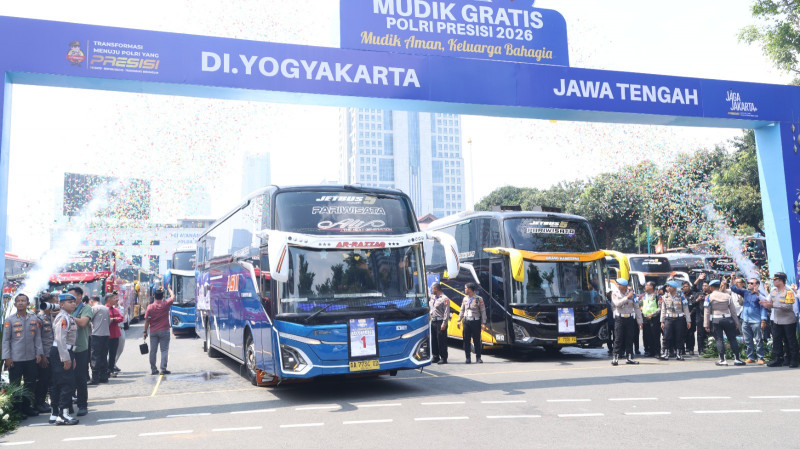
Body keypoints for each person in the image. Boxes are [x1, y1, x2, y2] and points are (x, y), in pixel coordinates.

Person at [1, 293, 43, 418]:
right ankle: (17, 411)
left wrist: (39, 353)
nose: (20, 303)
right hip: (15, 359)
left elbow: (37, 337)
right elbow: (6, 340)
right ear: (14, 304)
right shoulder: (10, 320)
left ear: (28, 303)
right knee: (16, 385)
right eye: (18, 301)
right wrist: (7, 357)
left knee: (30, 384)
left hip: (31, 358)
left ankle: (27, 407)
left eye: (23, 300)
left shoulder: (33, 318)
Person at [50, 293, 79, 425]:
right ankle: (63, 414)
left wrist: (70, 357)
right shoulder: (63, 318)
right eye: (69, 302)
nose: (73, 304)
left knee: (63, 383)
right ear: (61, 304)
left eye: (74, 302)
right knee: (66, 384)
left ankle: (60, 413)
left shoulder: (67, 317)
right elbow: (60, 339)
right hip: (62, 352)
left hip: (65, 352)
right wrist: (66, 358)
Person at [761, 272, 799, 368]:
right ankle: (778, 359)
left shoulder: (789, 291)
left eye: (775, 280)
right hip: (777, 320)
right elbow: (768, 300)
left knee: (790, 340)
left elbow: (788, 306)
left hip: (788, 320)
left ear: (781, 281)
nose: (773, 281)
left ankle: (793, 359)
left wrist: (772, 305)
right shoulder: (774, 291)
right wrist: (764, 302)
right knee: (776, 340)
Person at [704, 280, 745, 366]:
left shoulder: (709, 297)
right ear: (719, 287)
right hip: (728, 318)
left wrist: (706, 324)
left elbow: (707, 312)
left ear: (711, 287)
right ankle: (737, 359)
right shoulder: (727, 296)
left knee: (719, 339)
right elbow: (733, 311)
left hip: (716, 319)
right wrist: (736, 322)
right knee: (732, 339)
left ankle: (723, 360)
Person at [729, 277, 768, 364]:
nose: (749, 284)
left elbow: (763, 308)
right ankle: (750, 357)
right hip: (745, 320)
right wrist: (732, 279)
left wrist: (763, 320)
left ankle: (760, 358)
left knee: (758, 340)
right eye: (748, 283)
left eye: (751, 283)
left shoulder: (760, 295)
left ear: (757, 285)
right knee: (747, 340)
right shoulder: (745, 292)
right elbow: (733, 288)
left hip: (756, 321)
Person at [68, 286, 92, 416]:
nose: (69, 299)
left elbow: (83, 323)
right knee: (67, 377)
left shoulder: (85, 308)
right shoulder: (66, 308)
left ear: (79, 296)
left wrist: (66, 317)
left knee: (80, 378)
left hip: (80, 347)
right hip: (67, 348)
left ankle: (82, 405)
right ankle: (68, 406)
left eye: (72, 296)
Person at [610, 278, 643, 366]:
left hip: (629, 318)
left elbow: (636, 307)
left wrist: (640, 321)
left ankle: (629, 357)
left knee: (630, 338)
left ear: (623, 286)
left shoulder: (633, 294)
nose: (617, 286)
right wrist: (627, 297)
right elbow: (617, 304)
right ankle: (615, 358)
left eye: (619, 285)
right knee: (618, 338)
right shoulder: (615, 293)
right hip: (619, 318)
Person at [143, 286, 175, 375]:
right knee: (164, 350)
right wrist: (169, 289)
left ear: (154, 296)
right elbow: (172, 296)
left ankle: (153, 369)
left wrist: (145, 332)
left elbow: (147, 321)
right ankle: (163, 369)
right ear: (163, 296)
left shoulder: (150, 307)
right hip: (164, 330)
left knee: (153, 350)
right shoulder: (166, 304)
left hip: (153, 331)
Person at [34, 293, 56, 413]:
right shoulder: (40, 318)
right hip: (45, 354)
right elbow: (38, 339)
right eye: (54, 301)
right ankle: (39, 403)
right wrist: (42, 355)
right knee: (43, 380)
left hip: (53, 352)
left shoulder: (52, 316)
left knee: (51, 379)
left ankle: (49, 401)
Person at [660, 280, 691, 361]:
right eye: (667, 286)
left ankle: (678, 353)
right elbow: (663, 309)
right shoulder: (664, 297)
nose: (667, 288)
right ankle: (665, 353)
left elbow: (686, 308)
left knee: (679, 336)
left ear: (673, 288)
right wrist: (662, 321)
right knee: (666, 336)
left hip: (679, 318)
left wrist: (688, 320)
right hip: (668, 318)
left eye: (669, 286)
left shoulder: (681, 296)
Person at [456, 282, 486, 364]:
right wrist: (459, 320)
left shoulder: (479, 299)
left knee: (477, 340)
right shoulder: (465, 299)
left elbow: (483, 311)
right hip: (466, 321)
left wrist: (483, 323)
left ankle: (478, 357)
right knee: (466, 340)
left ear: (469, 289)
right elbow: (462, 310)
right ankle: (468, 358)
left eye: (465, 288)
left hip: (475, 321)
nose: (464, 290)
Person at [88, 295, 110, 384]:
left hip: (96, 334)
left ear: (91, 301)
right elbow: (108, 321)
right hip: (105, 334)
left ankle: (95, 378)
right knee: (103, 356)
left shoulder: (94, 308)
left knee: (95, 357)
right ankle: (104, 377)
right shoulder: (105, 308)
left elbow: (88, 320)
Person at [428, 283, 449, 365]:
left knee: (441, 340)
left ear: (436, 289)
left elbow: (446, 313)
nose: (432, 290)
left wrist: (444, 323)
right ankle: (435, 356)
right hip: (433, 321)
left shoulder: (444, 298)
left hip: (440, 321)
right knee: (434, 340)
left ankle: (443, 357)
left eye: (432, 289)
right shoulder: (432, 297)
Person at [639, 282, 661, 358]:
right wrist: (640, 308)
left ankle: (657, 352)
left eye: (647, 285)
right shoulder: (644, 296)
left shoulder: (657, 296)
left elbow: (660, 307)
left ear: (651, 287)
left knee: (655, 335)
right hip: (645, 318)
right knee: (646, 336)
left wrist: (652, 314)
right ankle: (649, 351)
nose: (645, 287)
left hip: (654, 318)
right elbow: (639, 304)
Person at [105, 293, 124, 376]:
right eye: (114, 298)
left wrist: (114, 319)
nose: (116, 300)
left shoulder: (115, 309)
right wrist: (113, 319)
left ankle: (111, 369)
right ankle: (106, 369)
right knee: (105, 354)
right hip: (107, 335)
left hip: (115, 334)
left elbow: (121, 318)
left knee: (113, 353)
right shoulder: (104, 309)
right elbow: (106, 320)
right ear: (109, 300)